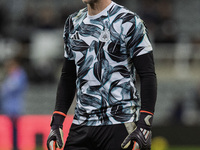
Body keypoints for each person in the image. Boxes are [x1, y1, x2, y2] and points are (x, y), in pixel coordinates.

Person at [47, 0, 157, 150]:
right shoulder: (73, 22)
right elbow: (68, 76)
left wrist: (145, 125)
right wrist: (57, 122)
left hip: (120, 124)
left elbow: (148, 74)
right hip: (82, 124)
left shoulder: (129, 21)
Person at [0, 57, 28, 150]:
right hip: (9, 105)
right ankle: (14, 146)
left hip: (15, 106)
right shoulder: (12, 75)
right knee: (12, 128)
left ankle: (16, 146)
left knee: (15, 128)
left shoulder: (19, 74)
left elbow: (10, 88)